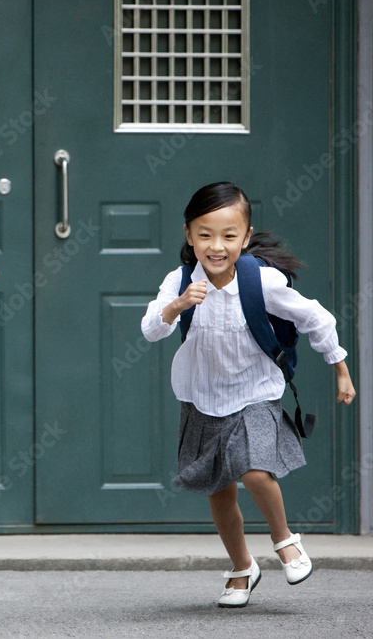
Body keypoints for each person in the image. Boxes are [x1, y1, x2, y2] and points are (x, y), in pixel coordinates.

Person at [141, 182, 356, 608]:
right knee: (218, 490)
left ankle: (285, 542)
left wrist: (341, 370)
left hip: (256, 391)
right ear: (189, 235)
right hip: (202, 397)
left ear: (245, 235)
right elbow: (151, 329)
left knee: (256, 470)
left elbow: (316, 318)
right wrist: (179, 304)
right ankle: (242, 568)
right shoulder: (180, 280)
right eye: (205, 235)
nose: (216, 246)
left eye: (228, 236)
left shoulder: (263, 281)